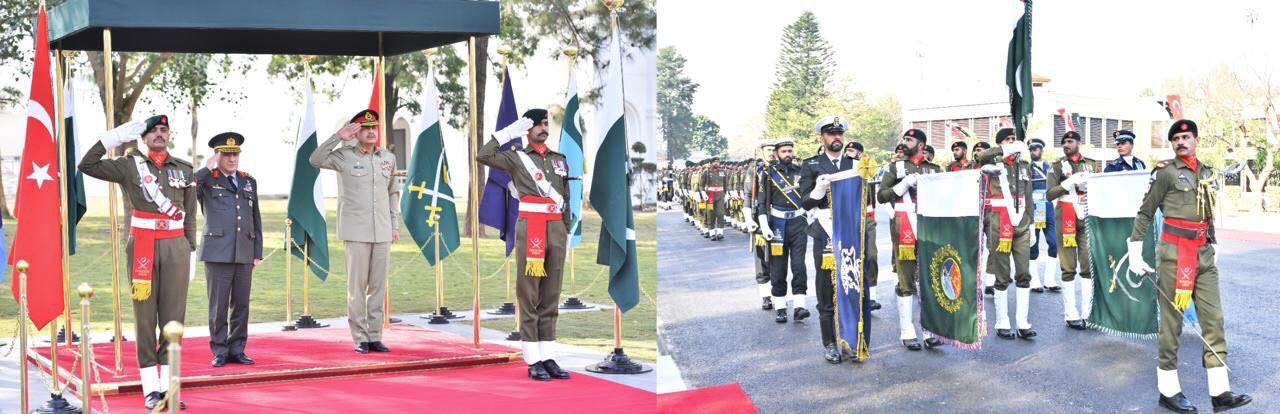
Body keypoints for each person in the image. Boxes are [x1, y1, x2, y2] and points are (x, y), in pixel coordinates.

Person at [1128, 119, 1251, 413]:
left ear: (1196, 139)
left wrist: (1213, 240)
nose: (1181, 142)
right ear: (1172, 144)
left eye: (1186, 137)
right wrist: (1135, 249)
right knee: (1172, 326)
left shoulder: (1206, 172)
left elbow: (1207, 214)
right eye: (1176, 138)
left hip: (1203, 255)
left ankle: (1220, 391)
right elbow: (1145, 213)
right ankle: (1168, 391)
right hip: (1174, 255)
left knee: (1214, 321)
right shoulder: (1166, 174)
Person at [79, 115, 195, 410]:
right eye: (152, 130)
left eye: (163, 130)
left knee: (173, 318)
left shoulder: (184, 168)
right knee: (145, 319)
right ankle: (151, 389)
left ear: (169, 134)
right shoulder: (128, 165)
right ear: (142, 137)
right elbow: (87, 164)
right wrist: (114, 138)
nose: (158, 134)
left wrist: (189, 248)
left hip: (176, 248)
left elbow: (190, 213)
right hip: (142, 246)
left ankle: (170, 389)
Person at [476, 109, 574, 382]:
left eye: (545, 123)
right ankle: (533, 359)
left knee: (551, 295)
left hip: (555, 229)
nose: (543, 128)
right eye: (537, 124)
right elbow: (483, 155)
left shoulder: (559, 160)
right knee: (529, 294)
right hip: (531, 229)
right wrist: (509, 133)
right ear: (527, 129)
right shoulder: (517, 157)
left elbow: (565, 195)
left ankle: (548, 355)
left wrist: (566, 229)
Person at [309, 109, 401, 355]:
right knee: (357, 288)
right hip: (356, 231)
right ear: (356, 131)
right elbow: (315, 159)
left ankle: (375, 336)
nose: (371, 132)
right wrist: (337, 136)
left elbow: (393, 192)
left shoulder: (387, 158)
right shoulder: (343, 156)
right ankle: (360, 336)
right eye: (365, 128)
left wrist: (394, 225)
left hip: (381, 230)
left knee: (378, 287)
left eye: (374, 127)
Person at [195, 132, 262, 368]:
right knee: (219, 305)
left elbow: (255, 218)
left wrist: (257, 251)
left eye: (235, 154)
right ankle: (220, 349)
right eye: (226, 155)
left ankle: (237, 348)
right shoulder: (207, 180)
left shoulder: (248, 181)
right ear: (218, 156)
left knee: (242, 304)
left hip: (244, 250)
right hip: (217, 251)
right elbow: (189, 188)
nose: (232, 159)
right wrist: (206, 167)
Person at [877, 128, 943, 351]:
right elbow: (881, 196)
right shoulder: (896, 167)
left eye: (909, 139)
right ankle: (907, 330)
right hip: (904, 226)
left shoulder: (933, 169)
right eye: (904, 139)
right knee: (905, 278)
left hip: (928, 227)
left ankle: (929, 329)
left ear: (922, 145)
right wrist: (902, 185)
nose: (904, 143)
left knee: (928, 277)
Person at [800, 116, 856, 363]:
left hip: (850, 229)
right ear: (822, 138)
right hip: (825, 231)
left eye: (839, 134)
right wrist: (818, 190)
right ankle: (830, 342)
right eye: (831, 134)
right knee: (826, 287)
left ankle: (850, 338)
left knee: (851, 283)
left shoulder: (854, 163)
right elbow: (805, 202)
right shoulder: (811, 164)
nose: (837, 138)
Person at [975, 128, 1037, 340]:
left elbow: (1028, 196)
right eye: (1008, 140)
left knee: (1024, 273)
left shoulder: (1024, 166)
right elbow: (980, 156)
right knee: (1002, 274)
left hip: (1021, 222)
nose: (1013, 143)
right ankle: (1002, 321)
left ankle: (1022, 321)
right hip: (999, 222)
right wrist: (1004, 148)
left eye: (1014, 140)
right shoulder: (991, 164)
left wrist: (1032, 224)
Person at [1046, 131, 1096, 330]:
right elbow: (1050, 194)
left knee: (1087, 265)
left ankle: (1087, 312)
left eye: (1070, 141)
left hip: (1086, 214)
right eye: (1064, 142)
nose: (1066, 145)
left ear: (1079, 143)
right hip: (1065, 215)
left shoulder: (1091, 164)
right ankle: (1071, 314)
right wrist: (1068, 182)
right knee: (1068, 267)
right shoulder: (1058, 166)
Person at [757, 140, 808, 324]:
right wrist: (763, 223)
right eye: (784, 151)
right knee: (778, 270)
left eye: (790, 150)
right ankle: (780, 307)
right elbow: (762, 200)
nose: (788, 154)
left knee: (799, 267)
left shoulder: (800, 171)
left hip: (798, 223)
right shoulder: (768, 173)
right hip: (777, 224)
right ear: (777, 153)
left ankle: (799, 306)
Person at [1027, 138, 1060, 293]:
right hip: (1037, 207)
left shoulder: (1050, 167)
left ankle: (1050, 279)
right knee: (1034, 244)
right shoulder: (1028, 168)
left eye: (1036, 149)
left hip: (1049, 206)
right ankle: (1034, 280)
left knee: (1054, 243)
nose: (1033, 152)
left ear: (1041, 150)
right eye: (1031, 149)